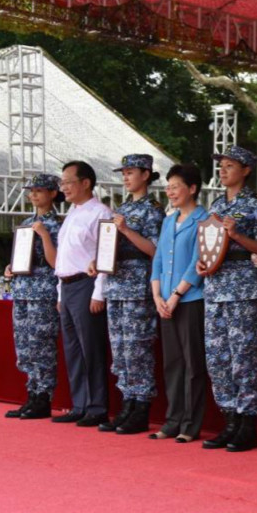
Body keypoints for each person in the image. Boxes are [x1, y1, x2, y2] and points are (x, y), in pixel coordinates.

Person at [198, 146, 257, 452]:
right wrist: (202, 263)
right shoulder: (215, 204)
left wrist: (238, 235)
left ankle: (247, 424)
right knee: (217, 359)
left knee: (243, 358)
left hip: (241, 287)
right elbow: (208, 246)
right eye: (221, 165)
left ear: (246, 170)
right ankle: (229, 420)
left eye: (230, 165)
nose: (223, 170)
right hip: (215, 289)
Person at [91, 154, 165, 435]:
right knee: (120, 349)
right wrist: (97, 260)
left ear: (146, 174)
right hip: (116, 285)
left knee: (138, 348)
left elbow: (155, 251)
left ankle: (141, 406)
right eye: (123, 172)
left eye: (131, 172)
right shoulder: (122, 208)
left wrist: (125, 230)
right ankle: (127, 403)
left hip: (138, 286)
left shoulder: (154, 209)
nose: (125, 177)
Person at [149, 164, 209, 443]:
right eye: (168, 186)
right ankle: (172, 420)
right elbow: (159, 260)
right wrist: (157, 295)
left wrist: (175, 296)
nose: (170, 191)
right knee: (172, 363)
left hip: (190, 300)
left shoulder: (204, 219)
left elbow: (199, 263)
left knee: (192, 364)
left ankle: (190, 424)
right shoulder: (168, 221)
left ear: (192, 188)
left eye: (175, 186)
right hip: (165, 301)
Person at [53, 160, 113, 426]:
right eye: (62, 182)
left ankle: (97, 406)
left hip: (86, 285)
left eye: (67, 181)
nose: (63, 187)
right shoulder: (72, 214)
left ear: (85, 182)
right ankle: (79, 404)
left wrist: (99, 292)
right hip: (66, 286)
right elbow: (65, 258)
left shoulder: (100, 212)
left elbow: (105, 254)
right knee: (73, 349)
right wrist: (58, 294)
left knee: (92, 348)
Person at [3, 174, 63, 420]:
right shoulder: (27, 222)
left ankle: (43, 397)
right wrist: (10, 267)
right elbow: (21, 257)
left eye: (39, 190)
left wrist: (45, 235)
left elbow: (57, 262)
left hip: (44, 290)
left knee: (42, 344)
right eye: (31, 191)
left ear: (52, 193)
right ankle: (32, 393)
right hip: (23, 289)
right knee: (25, 344)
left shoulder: (58, 225)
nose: (34, 195)